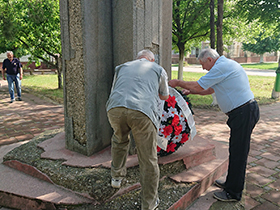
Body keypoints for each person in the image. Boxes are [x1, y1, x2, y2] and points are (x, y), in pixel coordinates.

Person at [168, 48, 259, 202]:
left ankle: (234, 193)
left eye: (203, 64)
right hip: (242, 113)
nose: (203, 68)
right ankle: (231, 184)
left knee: (239, 153)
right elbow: (209, 90)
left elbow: (199, 85)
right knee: (235, 150)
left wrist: (177, 82)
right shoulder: (223, 66)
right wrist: (192, 92)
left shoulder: (221, 67)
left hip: (244, 112)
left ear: (210, 59)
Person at [106, 49, 169, 210]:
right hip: (142, 111)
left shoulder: (122, 67)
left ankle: (116, 178)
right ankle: (149, 203)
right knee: (148, 157)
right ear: (152, 60)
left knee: (119, 140)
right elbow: (164, 95)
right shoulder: (158, 69)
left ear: (137, 58)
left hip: (115, 108)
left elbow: (116, 89)